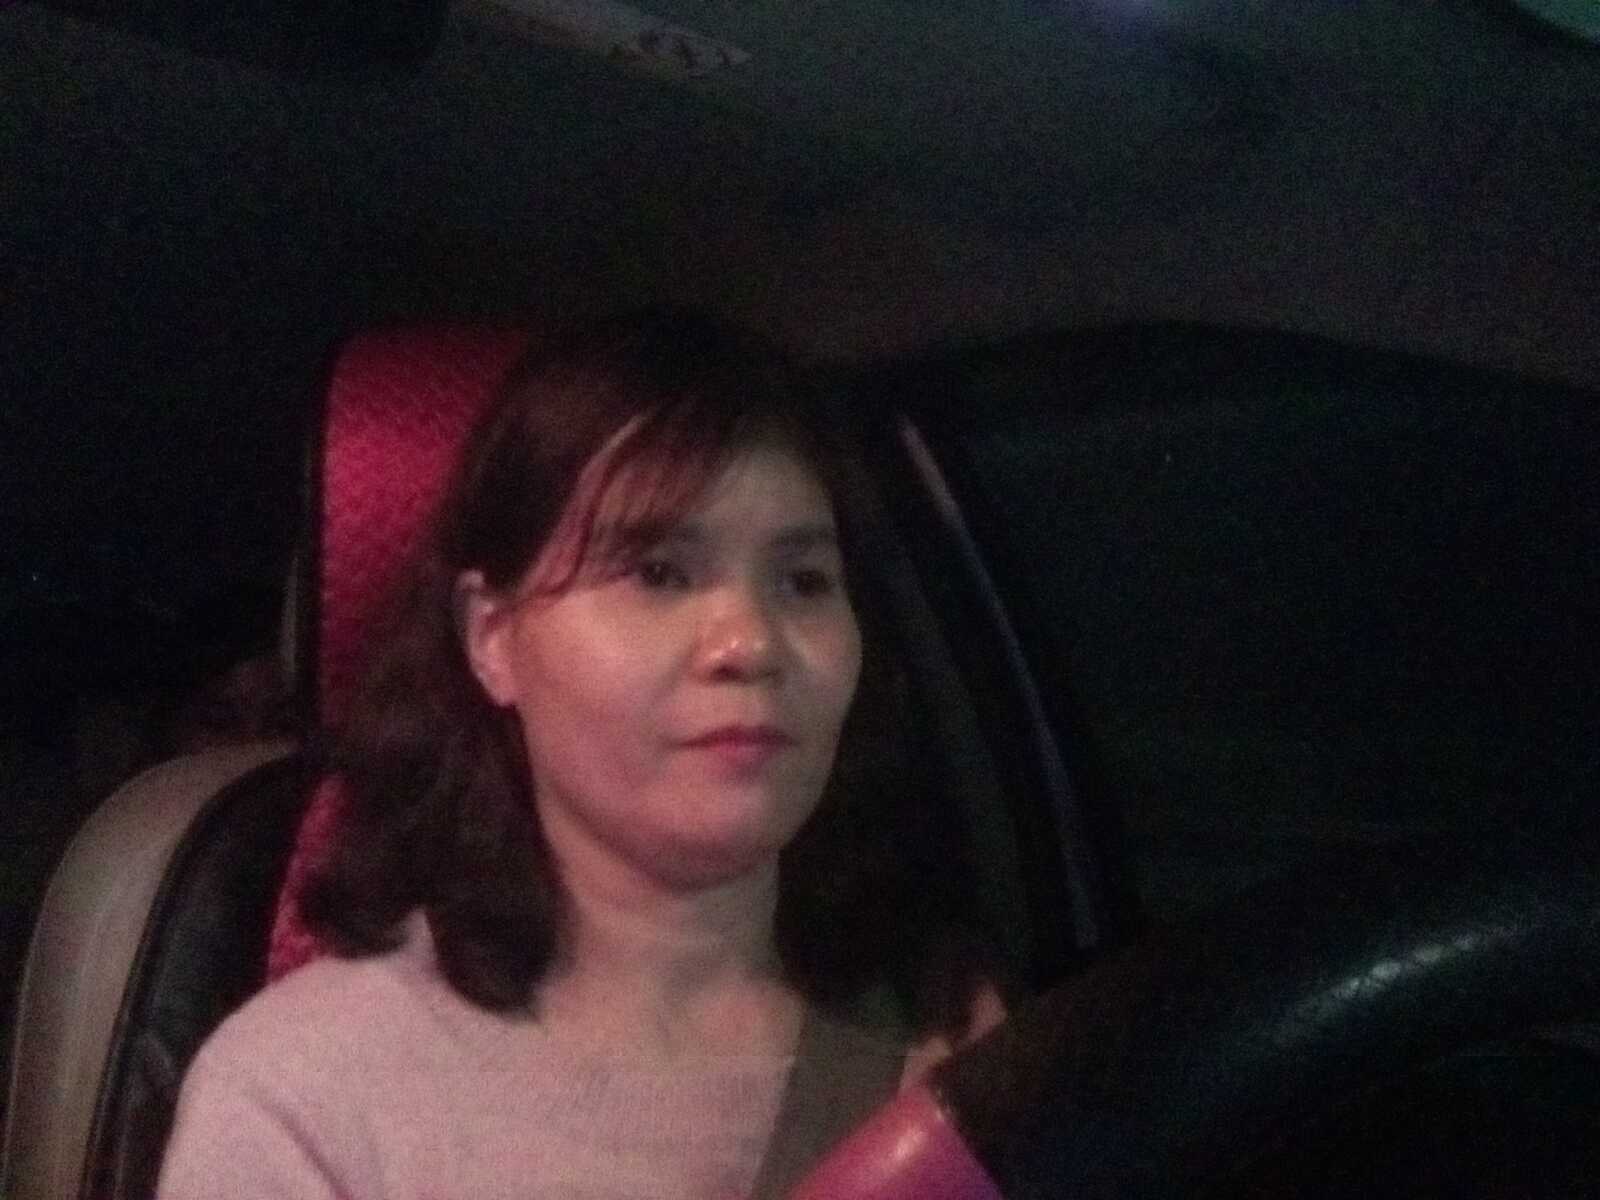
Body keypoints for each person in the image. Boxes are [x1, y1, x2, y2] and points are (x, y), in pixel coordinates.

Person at [157, 310, 1005, 1200]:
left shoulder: (954, 1050)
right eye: (659, 573)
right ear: (492, 637)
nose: (751, 642)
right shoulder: (307, 1100)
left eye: (803, 582)